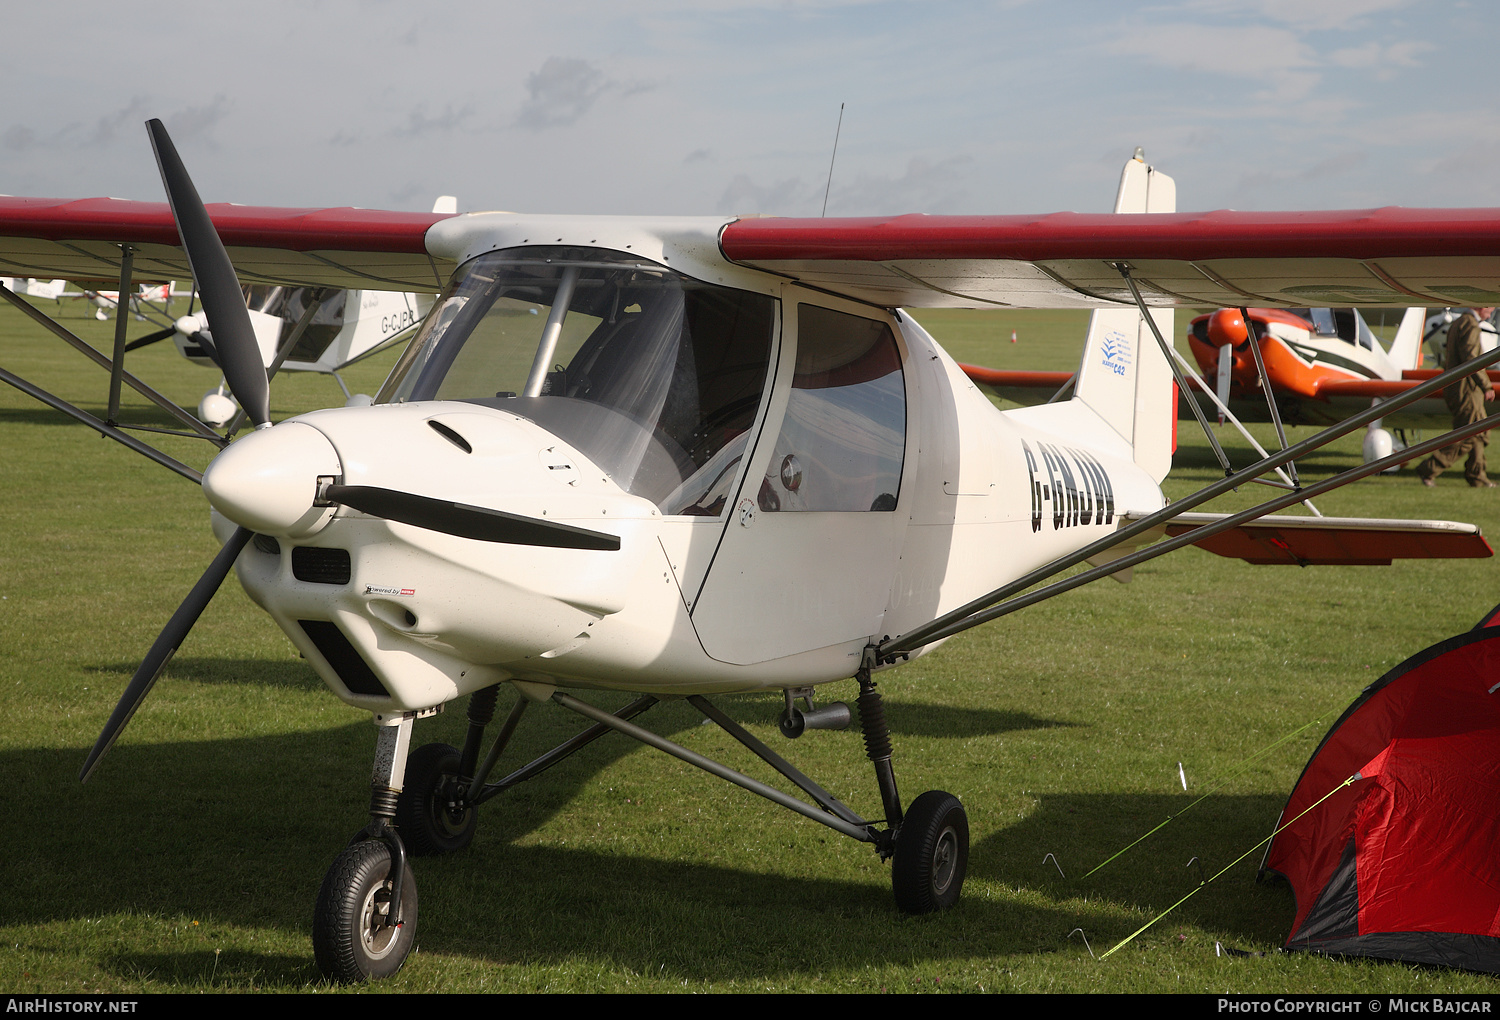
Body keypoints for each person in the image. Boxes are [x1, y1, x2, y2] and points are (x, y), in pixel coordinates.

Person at [1417, 307, 1498, 487]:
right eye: (1490, 308)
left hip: (1460, 387)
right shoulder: (1470, 324)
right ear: (1481, 307)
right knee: (1468, 434)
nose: (1491, 312)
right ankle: (1429, 468)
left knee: (1479, 431)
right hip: (1466, 388)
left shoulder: (1460, 322)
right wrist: (1485, 385)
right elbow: (1471, 358)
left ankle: (1477, 476)